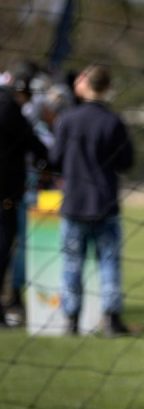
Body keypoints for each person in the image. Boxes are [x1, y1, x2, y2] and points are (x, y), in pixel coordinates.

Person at [50, 64, 134, 336]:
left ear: (85, 85)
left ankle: (71, 320)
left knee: (71, 265)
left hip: (74, 203)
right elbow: (127, 161)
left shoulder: (67, 119)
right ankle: (111, 319)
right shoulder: (113, 121)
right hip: (105, 203)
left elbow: (55, 159)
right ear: (108, 87)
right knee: (109, 264)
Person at [0, 63, 49, 327]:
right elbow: (35, 144)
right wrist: (50, 160)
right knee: (4, 248)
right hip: (5, 193)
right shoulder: (9, 109)